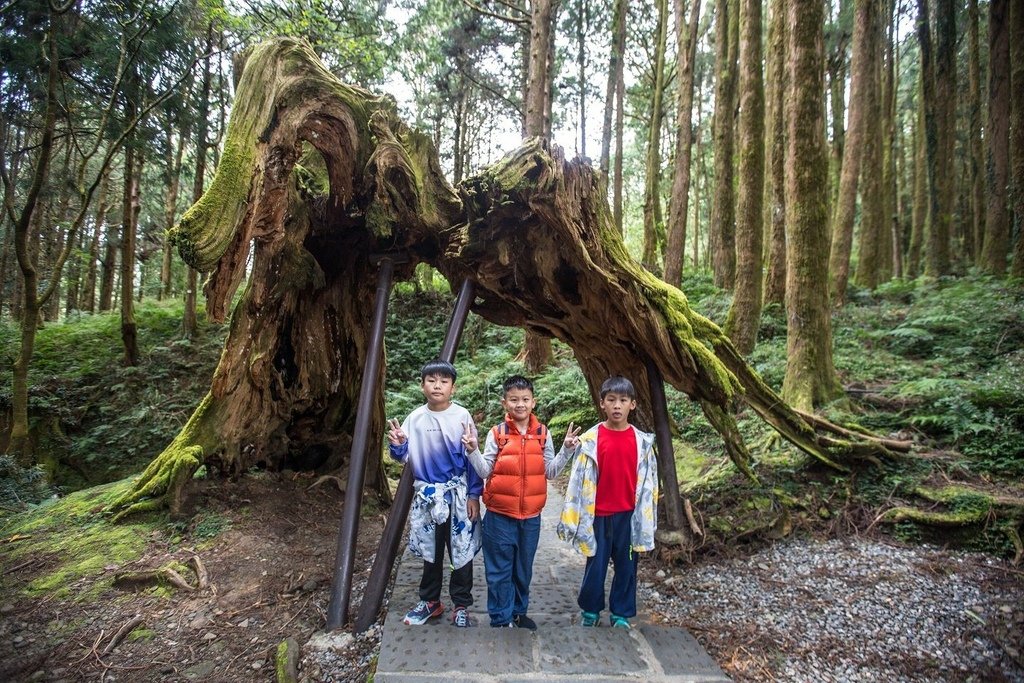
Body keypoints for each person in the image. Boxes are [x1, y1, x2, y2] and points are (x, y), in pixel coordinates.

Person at [462, 375, 582, 629]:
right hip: (499, 515)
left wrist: (567, 450)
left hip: (530, 517)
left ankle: (518, 612)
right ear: (504, 402)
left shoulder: (542, 433)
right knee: (498, 572)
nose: (520, 404)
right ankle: (500, 618)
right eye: (514, 399)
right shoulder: (498, 434)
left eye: (525, 399)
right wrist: (472, 450)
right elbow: (484, 471)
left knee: (523, 569)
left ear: (533, 402)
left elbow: (550, 472)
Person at [556, 375, 658, 629]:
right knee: (596, 565)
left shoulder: (642, 442)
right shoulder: (591, 440)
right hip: (598, 514)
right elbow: (578, 481)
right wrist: (574, 515)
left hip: (628, 515)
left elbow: (649, 483)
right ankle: (590, 611)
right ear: (602, 403)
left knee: (627, 567)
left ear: (632, 405)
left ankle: (620, 613)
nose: (617, 406)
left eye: (623, 400)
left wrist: (648, 518)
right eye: (611, 400)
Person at [387, 359, 483, 628]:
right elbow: (402, 455)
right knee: (431, 550)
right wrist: (397, 444)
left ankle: (461, 604)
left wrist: (474, 495)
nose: (437, 386)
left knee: (461, 551)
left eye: (444, 381)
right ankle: (430, 601)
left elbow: (472, 457)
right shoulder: (415, 418)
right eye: (431, 381)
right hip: (429, 496)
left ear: (453, 387)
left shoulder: (462, 416)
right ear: (422, 386)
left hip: (458, 495)